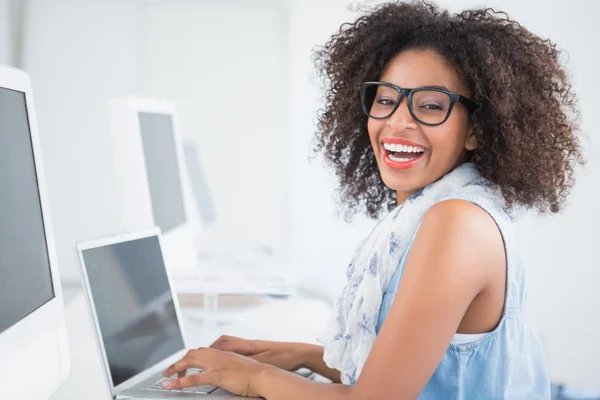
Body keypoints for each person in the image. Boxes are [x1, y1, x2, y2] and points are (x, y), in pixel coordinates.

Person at [161, 1, 584, 398]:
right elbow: (427, 373)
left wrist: (255, 378)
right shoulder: (432, 212)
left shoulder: (458, 223)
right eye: (385, 99)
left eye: (431, 106)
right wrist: (304, 356)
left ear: (476, 130)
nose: (399, 121)